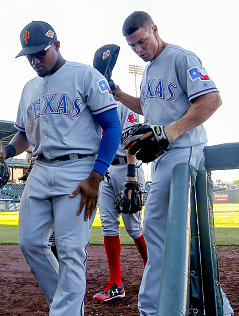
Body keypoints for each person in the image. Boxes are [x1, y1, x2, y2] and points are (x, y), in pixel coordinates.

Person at [113, 11, 234, 316]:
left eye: (142, 41)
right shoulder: (150, 70)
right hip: (163, 157)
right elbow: (151, 109)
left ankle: (153, 308)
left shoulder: (181, 57)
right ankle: (214, 306)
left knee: (161, 233)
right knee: (169, 236)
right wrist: (119, 94)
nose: (139, 49)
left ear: (155, 29)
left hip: (185, 153)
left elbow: (211, 100)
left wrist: (170, 132)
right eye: (133, 46)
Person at [0, 20, 121, 315]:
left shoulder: (84, 76)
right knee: (30, 242)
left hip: (78, 169)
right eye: (29, 54)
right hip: (39, 169)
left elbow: (112, 126)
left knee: (70, 250)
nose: (35, 60)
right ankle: (68, 304)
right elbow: (25, 135)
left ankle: (66, 310)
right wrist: (4, 152)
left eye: (40, 53)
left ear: (57, 45)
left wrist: (96, 174)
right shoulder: (29, 88)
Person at [91, 45, 148, 303]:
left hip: (127, 167)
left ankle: (155, 271)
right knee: (108, 225)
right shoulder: (91, 106)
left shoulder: (122, 104)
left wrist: (131, 176)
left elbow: (133, 141)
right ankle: (116, 283)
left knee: (134, 226)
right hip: (103, 170)